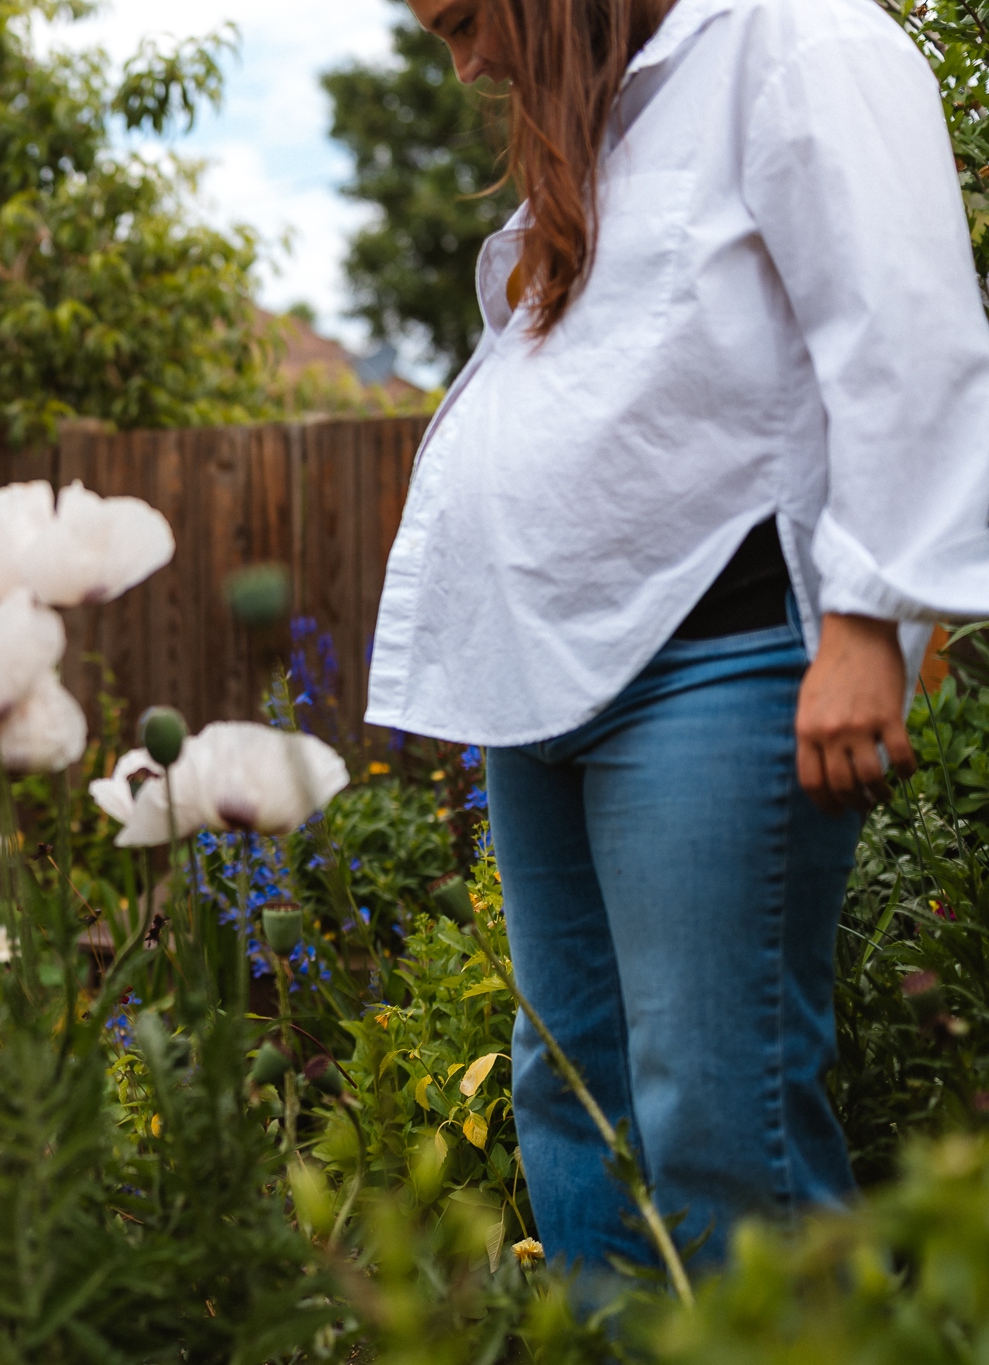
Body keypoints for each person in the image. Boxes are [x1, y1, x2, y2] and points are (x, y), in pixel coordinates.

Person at [373, 0, 989, 1287]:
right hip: (546, 675)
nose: (465, 63)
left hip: (716, 664)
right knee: (568, 1095)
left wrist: (866, 620)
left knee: (719, 1120)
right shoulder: (611, 123)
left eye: (464, 21)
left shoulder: (797, 42)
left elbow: (906, 334)